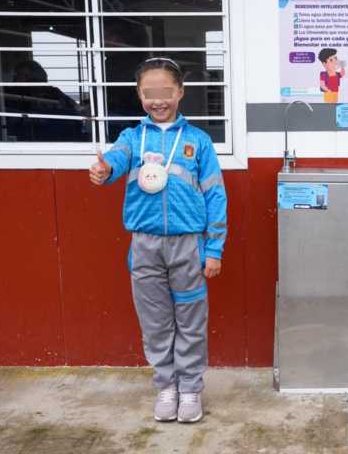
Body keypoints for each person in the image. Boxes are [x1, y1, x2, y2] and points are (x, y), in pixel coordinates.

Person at [89, 57, 227, 424]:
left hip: (188, 246)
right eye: (149, 93)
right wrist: (104, 169)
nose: (158, 101)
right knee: (155, 322)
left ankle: (191, 389)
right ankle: (167, 387)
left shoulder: (198, 142)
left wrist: (214, 248)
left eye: (166, 92)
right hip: (145, 247)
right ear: (139, 95)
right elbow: (115, 160)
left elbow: (216, 195)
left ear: (180, 92)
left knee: (191, 321)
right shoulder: (132, 138)